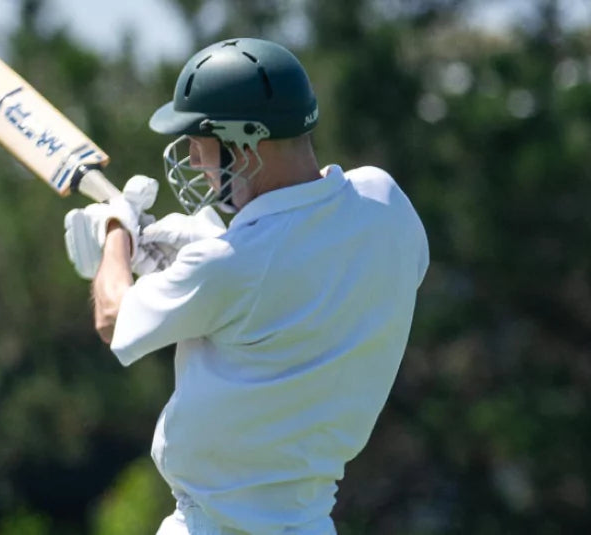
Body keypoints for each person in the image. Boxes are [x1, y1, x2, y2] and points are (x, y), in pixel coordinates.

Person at [60, 38, 430, 534]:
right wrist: (207, 246)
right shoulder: (385, 202)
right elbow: (299, 263)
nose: (193, 158)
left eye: (199, 140)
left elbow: (113, 317)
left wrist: (116, 234)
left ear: (245, 142)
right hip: (311, 521)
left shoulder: (230, 268)